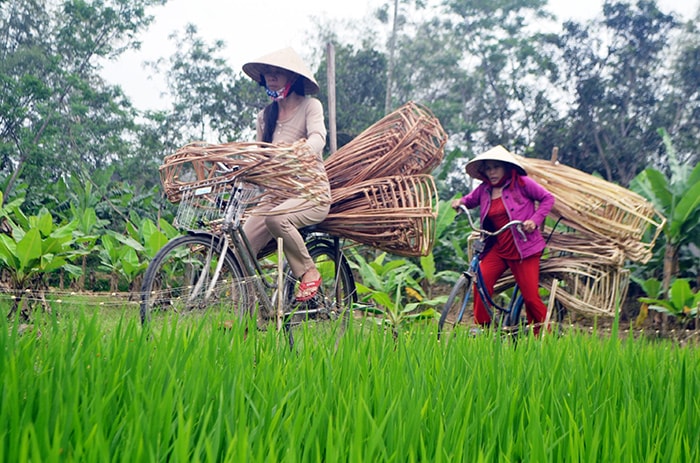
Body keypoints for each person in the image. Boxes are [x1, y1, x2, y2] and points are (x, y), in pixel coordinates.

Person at [241, 47, 330, 302]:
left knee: (276, 218)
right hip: (275, 195)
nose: (271, 76)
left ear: (293, 78)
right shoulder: (265, 116)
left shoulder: (310, 106)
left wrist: (298, 152)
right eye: (268, 73)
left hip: (311, 193)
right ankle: (250, 315)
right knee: (242, 246)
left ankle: (309, 271)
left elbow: (318, 138)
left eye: (277, 72)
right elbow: (260, 155)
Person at [451, 145, 555, 334]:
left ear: (506, 167)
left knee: (531, 298)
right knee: (480, 282)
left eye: (495, 167)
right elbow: (469, 200)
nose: (491, 172)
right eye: (488, 168)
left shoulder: (522, 183)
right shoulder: (484, 190)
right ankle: (483, 329)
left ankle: (545, 337)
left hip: (524, 248)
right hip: (498, 247)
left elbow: (547, 198)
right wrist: (460, 202)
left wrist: (534, 220)